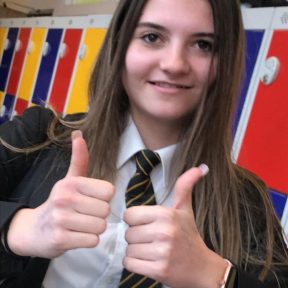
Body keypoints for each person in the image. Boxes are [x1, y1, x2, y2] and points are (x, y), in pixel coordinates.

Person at [0, 0, 287, 287]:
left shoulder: (247, 202)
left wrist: (216, 275)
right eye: (152, 37)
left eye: (203, 44)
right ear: (121, 44)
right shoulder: (38, 136)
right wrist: (18, 228)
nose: (174, 64)